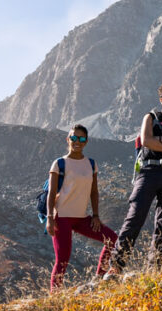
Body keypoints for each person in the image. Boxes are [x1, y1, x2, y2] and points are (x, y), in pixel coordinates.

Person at [111, 80, 162, 274]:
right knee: (135, 216)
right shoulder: (151, 117)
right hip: (149, 171)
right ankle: (116, 266)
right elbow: (147, 141)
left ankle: (155, 269)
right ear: (161, 98)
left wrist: (161, 141)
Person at [45, 124, 117, 290]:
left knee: (112, 239)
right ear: (68, 139)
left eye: (81, 138)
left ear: (86, 141)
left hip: (82, 218)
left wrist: (96, 215)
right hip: (61, 218)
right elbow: (51, 193)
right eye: (74, 138)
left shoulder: (91, 164)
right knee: (62, 260)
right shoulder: (59, 163)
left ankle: (100, 277)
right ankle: (55, 296)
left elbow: (94, 192)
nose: (77, 141)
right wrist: (49, 218)